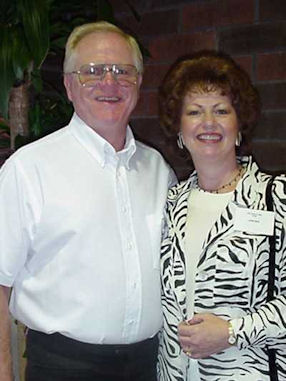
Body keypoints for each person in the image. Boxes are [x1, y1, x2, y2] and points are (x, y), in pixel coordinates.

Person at [0, 21, 176, 381]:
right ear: (68, 85)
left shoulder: (157, 168)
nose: (109, 83)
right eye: (92, 71)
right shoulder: (29, 169)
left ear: (139, 83)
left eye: (122, 71)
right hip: (63, 368)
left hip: (148, 365)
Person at [157, 50, 286, 380]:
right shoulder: (171, 202)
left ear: (239, 123)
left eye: (221, 110)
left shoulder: (277, 198)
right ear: (179, 129)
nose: (208, 123)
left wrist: (232, 331)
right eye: (195, 112)